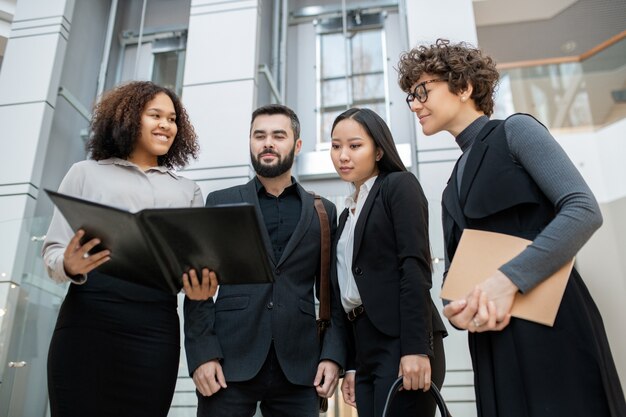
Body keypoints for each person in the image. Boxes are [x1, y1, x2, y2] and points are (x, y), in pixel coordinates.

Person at [397, 38, 626, 417]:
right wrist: (455, 306)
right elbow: (455, 271)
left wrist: (507, 280)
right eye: (410, 96)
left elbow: (583, 209)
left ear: (465, 87)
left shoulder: (515, 131)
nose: (415, 103)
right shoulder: (452, 183)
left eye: (423, 90)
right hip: (493, 341)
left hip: (551, 325)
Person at [42, 81, 218, 417]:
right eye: (155, 115)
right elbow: (53, 251)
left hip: (155, 328)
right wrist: (69, 264)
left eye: (172, 118)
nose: (166, 124)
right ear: (128, 118)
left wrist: (199, 285)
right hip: (89, 320)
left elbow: (191, 263)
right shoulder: (85, 174)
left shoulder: (188, 191)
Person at [183, 104, 347, 417]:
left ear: (296, 146)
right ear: (250, 142)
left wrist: (333, 355)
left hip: (300, 367)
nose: (267, 143)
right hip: (227, 362)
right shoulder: (220, 202)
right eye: (259, 136)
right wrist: (202, 353)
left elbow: (333, 294)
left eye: (278, 135)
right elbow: (197, 285)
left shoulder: (323, 211)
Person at [329, 107, 447, 417]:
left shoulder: (398, 185)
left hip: (402, 339)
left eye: (355, 146)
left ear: (379, 150)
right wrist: (352, 365)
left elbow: (414, 268)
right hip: (365, 344)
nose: (343, 155)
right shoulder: (346, 215)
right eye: (335, 145)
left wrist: (416, 349)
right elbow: (348, 291)